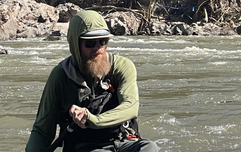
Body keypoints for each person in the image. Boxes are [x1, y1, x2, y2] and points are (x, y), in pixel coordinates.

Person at [26, 10, 158, 152]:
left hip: (124, 142)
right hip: (87, 147)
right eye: (90, 43)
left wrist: (93, 120)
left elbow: (130, 107)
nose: (97, 48)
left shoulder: (122, 67)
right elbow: (42, 130)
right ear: (76, 45)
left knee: (149, 147)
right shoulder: (61, 76)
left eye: (102, 42)